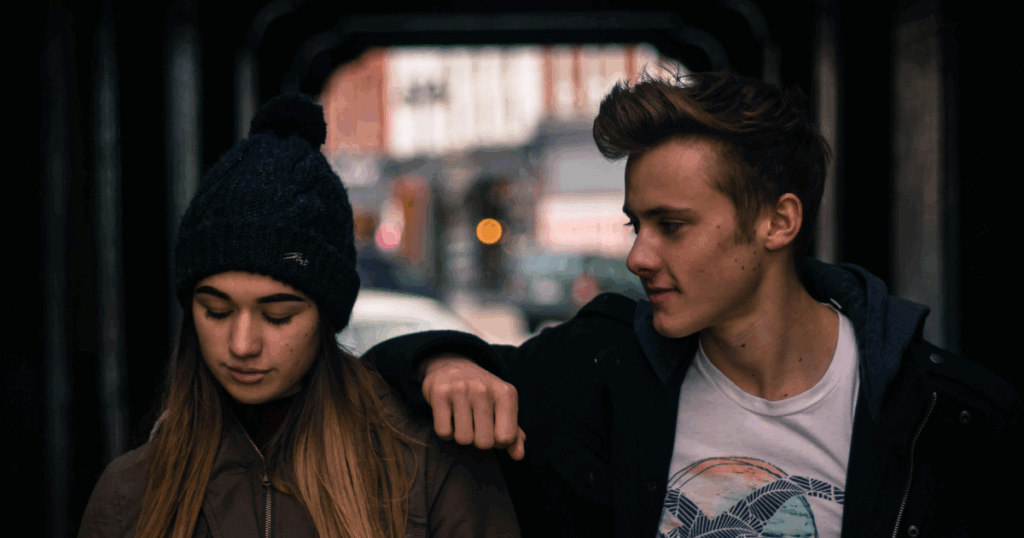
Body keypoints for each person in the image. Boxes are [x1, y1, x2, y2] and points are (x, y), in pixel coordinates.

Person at [365, 70, 1022, 538]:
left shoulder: (945, 416)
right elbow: (362, 383)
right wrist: (443, 361)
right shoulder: (599, 369)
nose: (638, 257)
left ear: (778, 222)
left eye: (671, 226)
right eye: (635, 225)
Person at [78, 94, 519, 538]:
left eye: (278, 316)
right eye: (215, 310)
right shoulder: (129, 495)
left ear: (326, 317)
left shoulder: (428, 468)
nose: (242, 345)